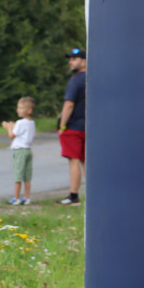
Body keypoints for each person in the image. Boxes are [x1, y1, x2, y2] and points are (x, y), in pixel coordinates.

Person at [56, 48, 87, 206]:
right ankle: (93, 193)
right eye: (71, 59)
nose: (71, 62)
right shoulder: (92, 78)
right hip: (89, 126)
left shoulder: (75, 80)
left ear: (84, 61)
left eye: (75, 59)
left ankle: (73, 196)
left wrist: (62, 126)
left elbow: (69, 104)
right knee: (86, 160)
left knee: (73, 160)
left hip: (73, 127)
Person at [1, 96, 36, 205]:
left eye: (21, 108)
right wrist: (13, 126)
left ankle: (16, 198)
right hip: (28, 150)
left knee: (18, 175)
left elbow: (12, 135)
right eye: (18, 108)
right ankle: (26, 197)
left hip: (20, 150)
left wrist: (8, 127)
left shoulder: (20, 122)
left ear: (29, 110)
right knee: (27, 176)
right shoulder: (31, 123)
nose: (18, 110)